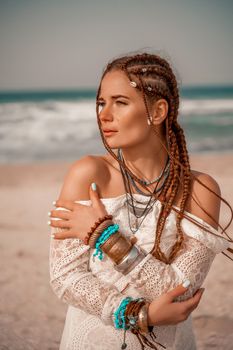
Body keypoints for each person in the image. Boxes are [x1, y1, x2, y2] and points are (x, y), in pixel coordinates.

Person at [48, 52, 232, 350]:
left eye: (120, 102)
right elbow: (65, 278)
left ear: (158, 111)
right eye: (101, 102)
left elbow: (180, 292)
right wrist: (137, 315)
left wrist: (106, 236)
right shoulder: (89, 174)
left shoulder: (198, 189)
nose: (104, 114)